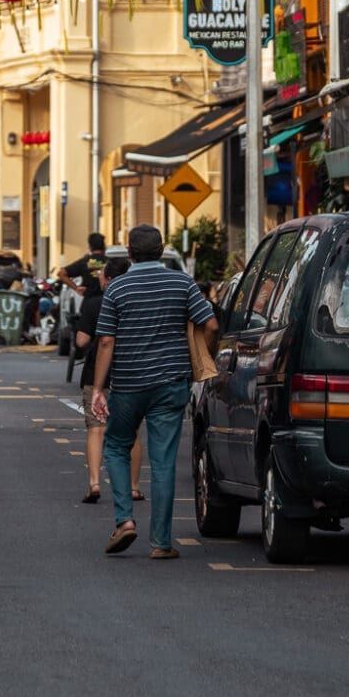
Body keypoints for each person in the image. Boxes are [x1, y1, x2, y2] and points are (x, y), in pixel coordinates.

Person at [90, 224, 218, 559]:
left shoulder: (117, 289)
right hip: (171, 384)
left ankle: (125, 521)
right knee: (163, 462)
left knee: (116, 446)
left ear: (129, 253)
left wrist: (99, 389)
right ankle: (161, 543)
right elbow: (211, 324)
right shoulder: (182, 283)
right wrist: (204, 358)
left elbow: (106, 341)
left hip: (128, 384)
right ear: (161, 251)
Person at [75, 255, 141, 504]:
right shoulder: (137, 301)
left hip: (97, 373)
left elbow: (82, 340)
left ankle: (94, 482)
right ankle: (133, 487)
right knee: (131, 431)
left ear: (108, 279)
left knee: (96, 428)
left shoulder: (95, 304)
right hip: (131, 372)